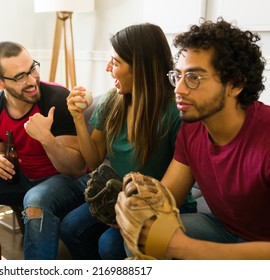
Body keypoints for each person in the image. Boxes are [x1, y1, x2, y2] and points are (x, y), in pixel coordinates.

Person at [117, 18, 270, 259]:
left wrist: (182, 247)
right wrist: (139, 206)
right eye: (177, 76)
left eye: (194, 78)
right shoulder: (191, 128)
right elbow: (169, 197)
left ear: (236, 84)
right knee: (145, 236)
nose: (178, 89)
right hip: (224, 230)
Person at [60, 23, 197, 260]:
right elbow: (92, 160)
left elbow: (170, 190)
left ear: (141, 68)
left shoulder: (175, 113)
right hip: (120, 197)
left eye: (116, 62)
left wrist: (129, 212)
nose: (107, 68)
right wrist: (78, 120)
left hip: (163, 207)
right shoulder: (113, 100)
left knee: (110, 244)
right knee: (71, 227)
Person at [0, 41, 89, 260]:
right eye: (19, 77)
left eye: (32, 69)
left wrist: (46, 139)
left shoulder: (56, 100)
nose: (31, 80)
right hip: (22, 177)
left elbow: (76, 168)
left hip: (64, 180)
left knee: (36, 201)